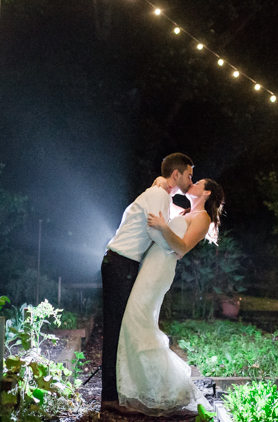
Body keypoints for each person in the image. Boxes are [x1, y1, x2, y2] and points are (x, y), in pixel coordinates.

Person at [116, 177, 225, 416]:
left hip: (160, 269)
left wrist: (164, 227)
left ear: (206, 193)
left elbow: (182, 248)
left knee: (136, 318)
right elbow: (160, 203)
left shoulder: (202, 218)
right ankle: (149, 384)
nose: (191, 184)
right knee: (137, 319)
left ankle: (161, 387)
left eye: (197, 183)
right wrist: (159, 184)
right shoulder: (185, 211)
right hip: (149, 264)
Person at [100, 153, 194, 414]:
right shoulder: (159, 194)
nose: (190, 179)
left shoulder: (158, 193)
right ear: (176, 174)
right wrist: (175, 249)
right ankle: (110, 399)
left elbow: (161, 222)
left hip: (121, 263)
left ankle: (115, 394)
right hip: (121, 264)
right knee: (117, 329)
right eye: (189, 174)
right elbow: (156, 230)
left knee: (120, 328)